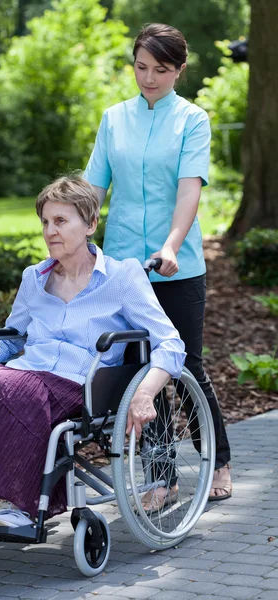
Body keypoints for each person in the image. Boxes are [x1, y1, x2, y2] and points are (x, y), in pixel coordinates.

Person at [0, 174, 186, 531]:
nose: (50, 231)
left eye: (60, 221)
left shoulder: (122, 277)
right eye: (45, 222)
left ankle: (22, 506)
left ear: (90, 224)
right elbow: (11, 336)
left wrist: (146, 390)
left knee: (16, 389)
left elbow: (170, 342)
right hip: (28, 377)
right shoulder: (34, 278)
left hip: (82, 385)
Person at [84, 23, 232, 504]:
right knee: (139, 371)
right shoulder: (114, 118)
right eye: (141, 67)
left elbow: (189, 191)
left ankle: (219, 462)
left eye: (161, 70)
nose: (148, 78)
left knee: (185, 367)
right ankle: (163, 478)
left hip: (177, 266)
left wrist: (171, 244)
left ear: (180, 70)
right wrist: (73, 232)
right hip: (124, 268)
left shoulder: (192, 120)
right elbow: (95, 190)